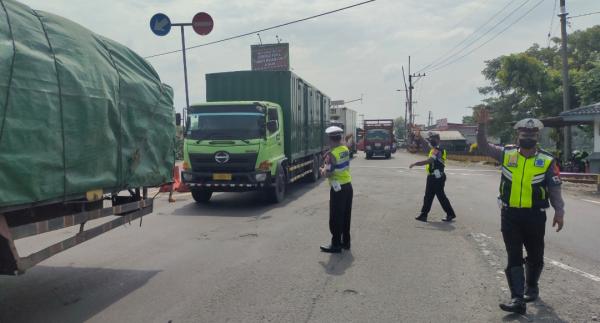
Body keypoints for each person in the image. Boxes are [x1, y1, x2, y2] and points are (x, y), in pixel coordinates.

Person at [477, 110, 565, 315]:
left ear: (537, 137)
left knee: (535, 255)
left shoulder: (547, 161)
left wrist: (559, 212)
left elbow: (555, 189)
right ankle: (517, 299)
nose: (527, 138)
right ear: (518, 136)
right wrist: (482, 127)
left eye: (532, 136)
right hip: (510, 216)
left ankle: (531, 287)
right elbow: (483, 146)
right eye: (524, 135)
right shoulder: (506, 154)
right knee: (513, 255)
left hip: (535, 216)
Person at [319, 126, 353, 253]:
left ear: (330, 139)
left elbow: (327, 173)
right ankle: (346, 242)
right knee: (345, 216)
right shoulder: (344, 149)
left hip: (338, 189)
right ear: (339, 138)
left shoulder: (331, 155)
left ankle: (336, 244)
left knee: (335, 217)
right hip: (348, 186)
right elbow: (344, 142)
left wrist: (322, 170)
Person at [409, 133, 457, 222]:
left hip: (437, 178)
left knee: (441, 196)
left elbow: (429, 161)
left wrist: (416, 164)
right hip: (432, 176)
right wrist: (419, 136)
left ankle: (450, 214)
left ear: (438, 140)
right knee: (428, 196)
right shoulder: (434, 149)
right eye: (431, 139)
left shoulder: (437, 150)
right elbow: (426, 144)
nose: (431, 141)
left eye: (433, 139)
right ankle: (424, 215)